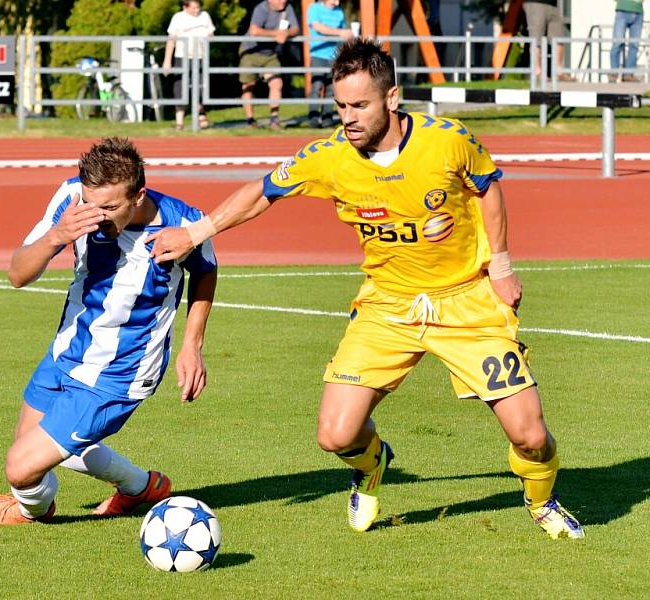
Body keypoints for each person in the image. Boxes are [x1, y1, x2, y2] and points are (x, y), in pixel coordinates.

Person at [147, 38, 585, 540]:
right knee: (335, 435)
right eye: (340, 105)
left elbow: (488, 186)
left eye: (359, 105)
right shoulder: (330, 156)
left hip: (466, 299)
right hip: (388, 306)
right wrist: (196, 231)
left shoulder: (447, 140)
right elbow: (262, 192)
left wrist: (502, 265)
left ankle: (541, 500)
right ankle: (374, 466)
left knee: (529, 434)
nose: (348, 117)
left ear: (392, 98)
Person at [0, 137, 218, 526]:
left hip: (121, 372)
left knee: (19, 469)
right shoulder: (71, 199)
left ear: (139, 195)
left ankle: (29, 512)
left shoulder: (184, 222)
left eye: (109, 207)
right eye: (90, 202)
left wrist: (192, 345)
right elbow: (17, 275)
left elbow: (206, 271)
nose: (96, 215)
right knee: (33, 456)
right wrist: (55, 237)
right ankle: (141, 488)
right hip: (68, 349)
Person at [238, 0, 301, 129]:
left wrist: (286, 33)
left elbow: (296, 29)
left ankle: (274, 119)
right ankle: (250, 121)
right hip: (251, 51)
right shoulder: (261, 8)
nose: (283, 1)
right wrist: (275, 35)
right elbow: (254, 30)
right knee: (248, 85)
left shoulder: (287, 8)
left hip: (270, 54)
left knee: (277, 83)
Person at [162, 0, 216, 130]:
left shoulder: (205, 16)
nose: (196, 10)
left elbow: (211, 34)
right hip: (182, 57)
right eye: (193, 8)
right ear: (185, 7)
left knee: (201, 88)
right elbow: (171, 40)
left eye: (198, 7)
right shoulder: (178, 17)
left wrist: (208, 38)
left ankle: (201, 115)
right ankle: (179, 122)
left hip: (201, 57)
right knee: (180, 88)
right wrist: (167, 61)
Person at [306, 0, 353, 128]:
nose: (337, 2)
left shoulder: (338, 11)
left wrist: (348, 35)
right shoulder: (314, 8)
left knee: (332, 89)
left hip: (335, 55)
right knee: (317, 86)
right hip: (318, 54)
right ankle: (313, 118)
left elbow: (343, 31)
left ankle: (327, 118)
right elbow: (317, 27)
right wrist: (339, 32)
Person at [523, 0, 573, 81]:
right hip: (536, 3)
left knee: (559, 38)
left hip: (554, 5)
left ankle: (558, 72)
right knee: (536, 38)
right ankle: (537, 72)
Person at [610, 0, 645, 83]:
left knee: (634, 45)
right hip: (622, 10)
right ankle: (614, 73)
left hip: (638, 12)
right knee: (617, 42)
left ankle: (628, 74)